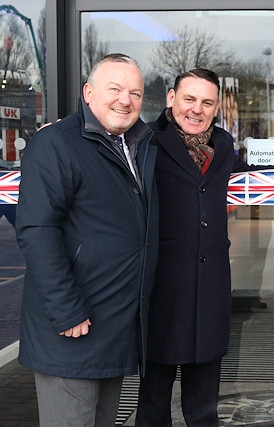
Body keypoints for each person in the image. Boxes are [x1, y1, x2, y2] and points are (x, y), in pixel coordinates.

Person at [135, 68, 274, 426]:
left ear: (216, 107)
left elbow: (250, 176)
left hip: (209, 294)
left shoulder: (221, 145)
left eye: (206, 102)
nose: (196, 109)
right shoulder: (144, 141)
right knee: (154, 405)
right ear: (171, 99)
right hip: (162, 294)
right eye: (189, 99)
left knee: (204, 409)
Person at [15, 53, 157, 427]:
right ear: (88, 92)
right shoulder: (56, 143)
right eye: (114, 89)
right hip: (73, 329)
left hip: (114, 328)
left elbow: (212, 166)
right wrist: (66, 309)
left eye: (135, 93)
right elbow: (37, 230)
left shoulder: (139, 144)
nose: (125, 100)